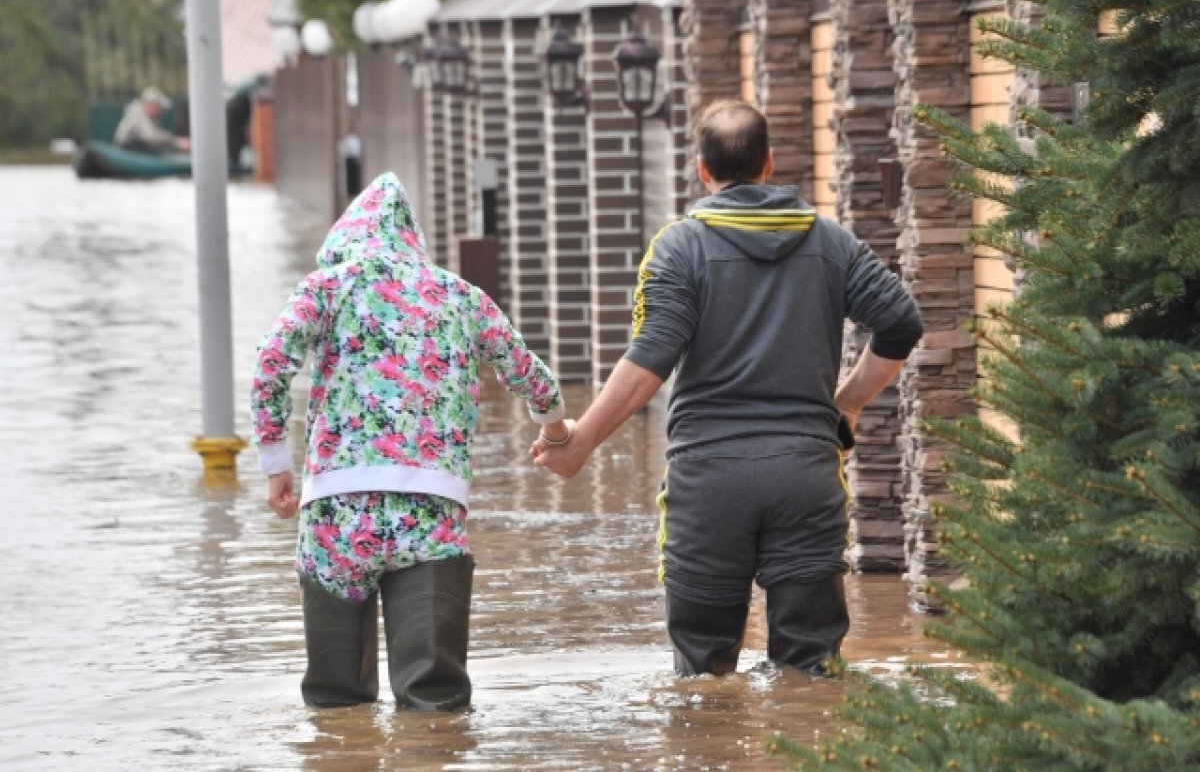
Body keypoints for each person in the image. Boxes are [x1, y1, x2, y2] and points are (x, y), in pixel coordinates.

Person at [531, 100, 923, 677]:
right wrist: (848, 403)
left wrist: (583, 441)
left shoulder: (679, 248)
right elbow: (901, 323)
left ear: (701, 169)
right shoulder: (831, 243)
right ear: (769, 164)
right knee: (811, 674)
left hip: (708, 483)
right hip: (805, 475)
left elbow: (652, 357)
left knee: (702, 678)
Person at [251, 172, 568, 710]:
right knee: (435, 699)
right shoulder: (458, 293)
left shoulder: (326, 287)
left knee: (336, 700)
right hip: (432, 511)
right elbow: (527, 371)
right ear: (410, 239)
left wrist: (277, 465)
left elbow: (271, 364)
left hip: (336, 515)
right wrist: (555, 426)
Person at [113, 86, 190, 153]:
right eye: (159, 107)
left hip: (135, 148)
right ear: (151, 105)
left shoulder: (147, 116)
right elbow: (150, 136)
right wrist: (176, 142)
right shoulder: (137, 115)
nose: (160, 111)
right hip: (127, 150)